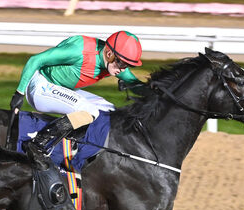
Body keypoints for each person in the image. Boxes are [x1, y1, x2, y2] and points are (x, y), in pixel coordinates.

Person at [9, 30, 148, 154]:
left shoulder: (112, 63)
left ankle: (76, 144)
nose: (123, 70)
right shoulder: (78, 51)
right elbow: (35, 60)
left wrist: (156, 90)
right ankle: (38, 143)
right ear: (109, 53)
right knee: (90, 111)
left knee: (109, 110)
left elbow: (135, 85)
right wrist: (19, 94)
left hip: (62, 89)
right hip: (41, 87)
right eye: (122, 63)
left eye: (128, 65)